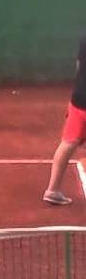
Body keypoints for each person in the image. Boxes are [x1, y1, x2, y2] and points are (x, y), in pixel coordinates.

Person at [43, 35, 86, 205]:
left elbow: (78, 67)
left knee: (68, 143)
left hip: (78, 99)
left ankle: (52, 190)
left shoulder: (85, 37)